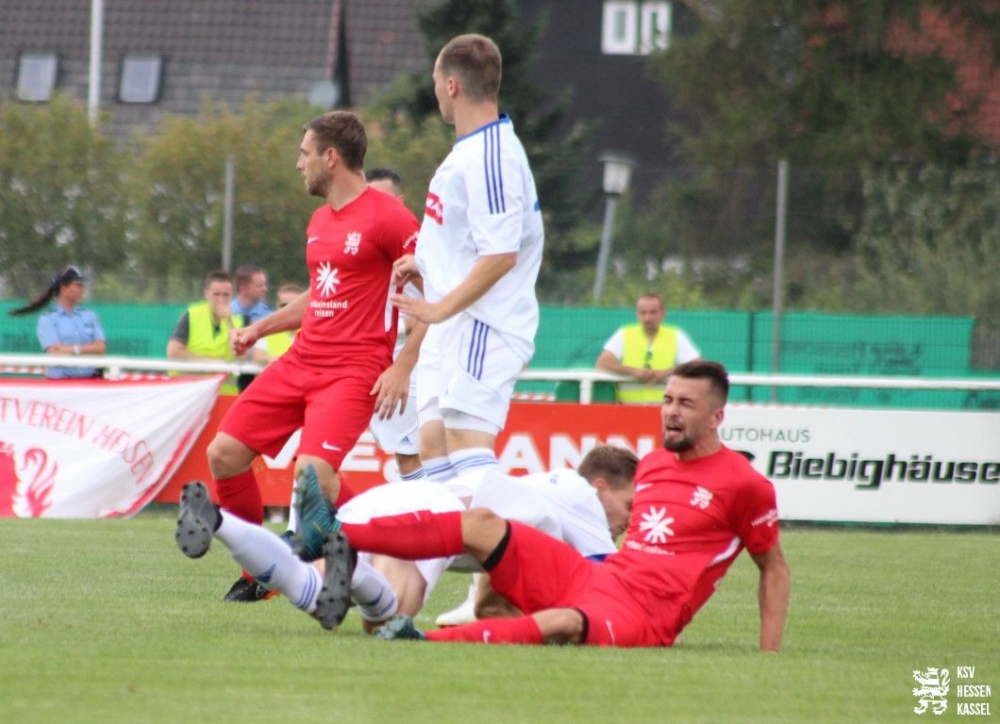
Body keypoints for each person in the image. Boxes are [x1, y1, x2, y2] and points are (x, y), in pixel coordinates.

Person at [320, 360, 791, 650]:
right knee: (482, 522)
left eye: (685, 403)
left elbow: (773, 568)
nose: (670, 410)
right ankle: (333, 536)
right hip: (597, 579)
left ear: (716, 416)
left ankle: (423, 640)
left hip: (645, 616)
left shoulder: (745, 485)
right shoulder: (651, 465)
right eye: (668, 399)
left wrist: (769, 653)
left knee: (564, 622)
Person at [203, 110, 423, 602]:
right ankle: (260, 569)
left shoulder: (389, 217)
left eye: (304, 153)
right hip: (302, 360)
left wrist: (402, 365)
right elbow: (321, 295)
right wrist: (260, 328)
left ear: (331, 157)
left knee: (312, 482)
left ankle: (367, 551)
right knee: (223, 455)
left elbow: (437, 293)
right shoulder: (321, 220)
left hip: (354, 370)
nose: (298, 163)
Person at [387, 33, 545, 621]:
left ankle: (515, 579)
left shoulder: (493, 154)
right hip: (457, 319)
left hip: (483, 322)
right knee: (431, 446)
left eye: (435, 82)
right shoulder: (470, 149)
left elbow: (501, 254)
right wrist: (424, 264)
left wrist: (438, 307)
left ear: (451, 85)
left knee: (468, 449)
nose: (435, 92)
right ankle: (445, 591)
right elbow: (465, 237)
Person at [174, 445, 637, 633]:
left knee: (313, 591)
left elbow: (491, 608)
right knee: (387, 621)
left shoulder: (530, 508)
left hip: (389, 501)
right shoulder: (578, 494)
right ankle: (350, 566)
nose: (628, 522)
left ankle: (219, 521)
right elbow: (610, 586)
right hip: (433, 517)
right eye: (630, 506)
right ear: (601, 487)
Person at [365, 168, 422, 481]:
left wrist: (402, 367)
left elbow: (442, 305)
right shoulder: (363, 243)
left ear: (400, 202)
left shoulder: (416, 247)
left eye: (382, 200)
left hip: (413, 362)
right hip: (374, 359)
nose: (374, 208)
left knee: (412, 457)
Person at [596, 292, 701, 404]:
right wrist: (633, 371)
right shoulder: (624, 334)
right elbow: (602, 364)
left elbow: (697, 365)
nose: (648, 318)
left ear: (663, 313)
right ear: (637, 314)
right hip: (629, 408)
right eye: (643, 313)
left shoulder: (676, 335)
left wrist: (665, 373)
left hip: (665, 409)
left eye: (653, 312)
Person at [8, 265, 106, 379]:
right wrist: (88, 349)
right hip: (60, 384)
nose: (82, 289)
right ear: (64, 288)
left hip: (91, 383)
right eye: (78, 285)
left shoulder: (90, 315)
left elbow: (100, 348)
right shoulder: (48, 319)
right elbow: (54, 353)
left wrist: (71, 349)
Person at [166, 270, 244, 395]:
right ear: (206, 293)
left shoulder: (237, 322)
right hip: (189, 392)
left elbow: (240, 358)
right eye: (216, 294)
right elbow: (173, 352)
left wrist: (229, 322)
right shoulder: (192, 315)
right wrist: (211, 364)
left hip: (223, 394)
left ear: (232, 296)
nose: (221, 300)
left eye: (226, 295)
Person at [231, 265, 273, 392]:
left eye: (265, 284)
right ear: (243, 288)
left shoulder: (269, 316)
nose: (265, 289)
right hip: (229, 383)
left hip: (258, 381)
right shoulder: (226, 315)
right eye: (260, 285)